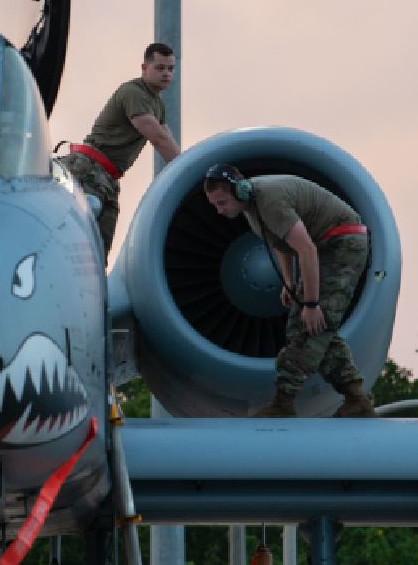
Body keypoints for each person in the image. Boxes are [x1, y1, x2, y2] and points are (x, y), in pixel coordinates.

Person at [203, 164, 375, 418]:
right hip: (326, 245)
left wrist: (313, 304)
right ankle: (356, 398)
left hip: (341, 243)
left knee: (309, 326)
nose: (219, 211)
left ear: (239, 191)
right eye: (215, 205)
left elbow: (306, 249)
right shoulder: (252, 208)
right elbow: (280, 243)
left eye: (222, 202)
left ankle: (283, 402)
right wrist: (289, 282)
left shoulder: (270, 200)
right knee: (318, 328)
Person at [60, 43, 181, 260]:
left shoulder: (157, 104)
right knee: (78, 249)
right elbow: (159, 139)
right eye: (160, 68)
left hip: (106, 177)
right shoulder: (133, 93)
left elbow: (167, 137)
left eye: (171, 69)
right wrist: (189, 171)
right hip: (89, 171)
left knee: (97, 255)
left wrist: (186, 164)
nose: (166, 74)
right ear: (145, 68)